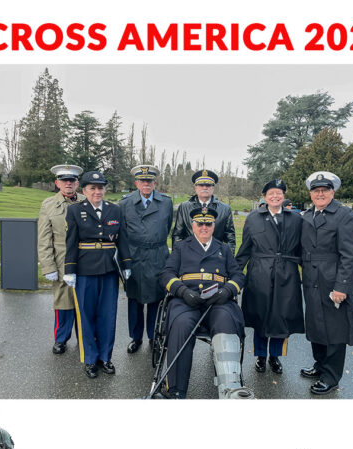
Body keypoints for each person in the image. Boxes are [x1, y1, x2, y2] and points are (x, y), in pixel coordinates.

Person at [160, 206, 243, 402]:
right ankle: (176, 390)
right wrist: (182, 291)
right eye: (200, 224)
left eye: (208, 224)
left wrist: (227, 290)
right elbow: (166, 274)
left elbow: (239, 275)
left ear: (214, 226)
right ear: (193, 226)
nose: (204, 227)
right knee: (180, 325)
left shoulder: (223, 248)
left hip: (218, 301)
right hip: (186, 300)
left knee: (226, 321)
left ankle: (230, 387)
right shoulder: (181, 247)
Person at [299, 169, 353, 394]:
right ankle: (320, 365)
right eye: (316, 191)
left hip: (331, 281)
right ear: (310, 194)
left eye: (324, 190)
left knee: (334, 331)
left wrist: (342, 286)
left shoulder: (344, 215)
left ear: (332, 192)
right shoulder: (307, 216)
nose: (320, 194)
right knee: (316, 326)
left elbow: (349, 254)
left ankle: (331, 376)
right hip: (310, 281)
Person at [235, 178, 303, 376]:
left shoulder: (296, 219)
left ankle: (275, 356)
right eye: (271, 193)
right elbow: (245, 249)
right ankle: (260, 356)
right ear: (265, 197)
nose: (275, 196)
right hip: (260, 273)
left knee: (282, 317)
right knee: (261, 316)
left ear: (283, 196)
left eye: (279, 193)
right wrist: (236, 275)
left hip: (286, 273)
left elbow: (302, 249)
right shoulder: (254, 218)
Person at [65, 176, 123, 375]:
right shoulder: (74, 210)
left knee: (108, 315)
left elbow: (122, 240)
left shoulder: (115, 210)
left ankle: (105, 357)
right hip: (84, 270)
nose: (97, 192)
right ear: (85, 190)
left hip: (109, 269)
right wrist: (69, 270)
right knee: (86, 316)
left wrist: (126, 265)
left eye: (101, 188)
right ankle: (89, 359)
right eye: (93, 188)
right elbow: (70, 242)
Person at [117, 171, 173, 353]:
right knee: (135, 299)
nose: (146, 184)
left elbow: (168, 226)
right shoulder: (125, 203)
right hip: (134, 255)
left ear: (155, 183)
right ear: (136, 183)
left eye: (149, 181)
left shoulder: (166, 202)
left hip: (158, 255)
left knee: (157, 298)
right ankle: (136, 337)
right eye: (142, 181)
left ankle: (154, 336)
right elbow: (122, 232)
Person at [38, 164, 80, 351]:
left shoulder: (87, 201)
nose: (68, 183)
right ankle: (61, 339)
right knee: (63, 302)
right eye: (64, 180)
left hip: (85, 259)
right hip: (61, 260)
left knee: (85, 302)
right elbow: (44, 238)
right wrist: (48, 266)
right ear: (57, 183)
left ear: (77, 183)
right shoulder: (48, 205)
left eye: (71, 180)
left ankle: (84, 338)